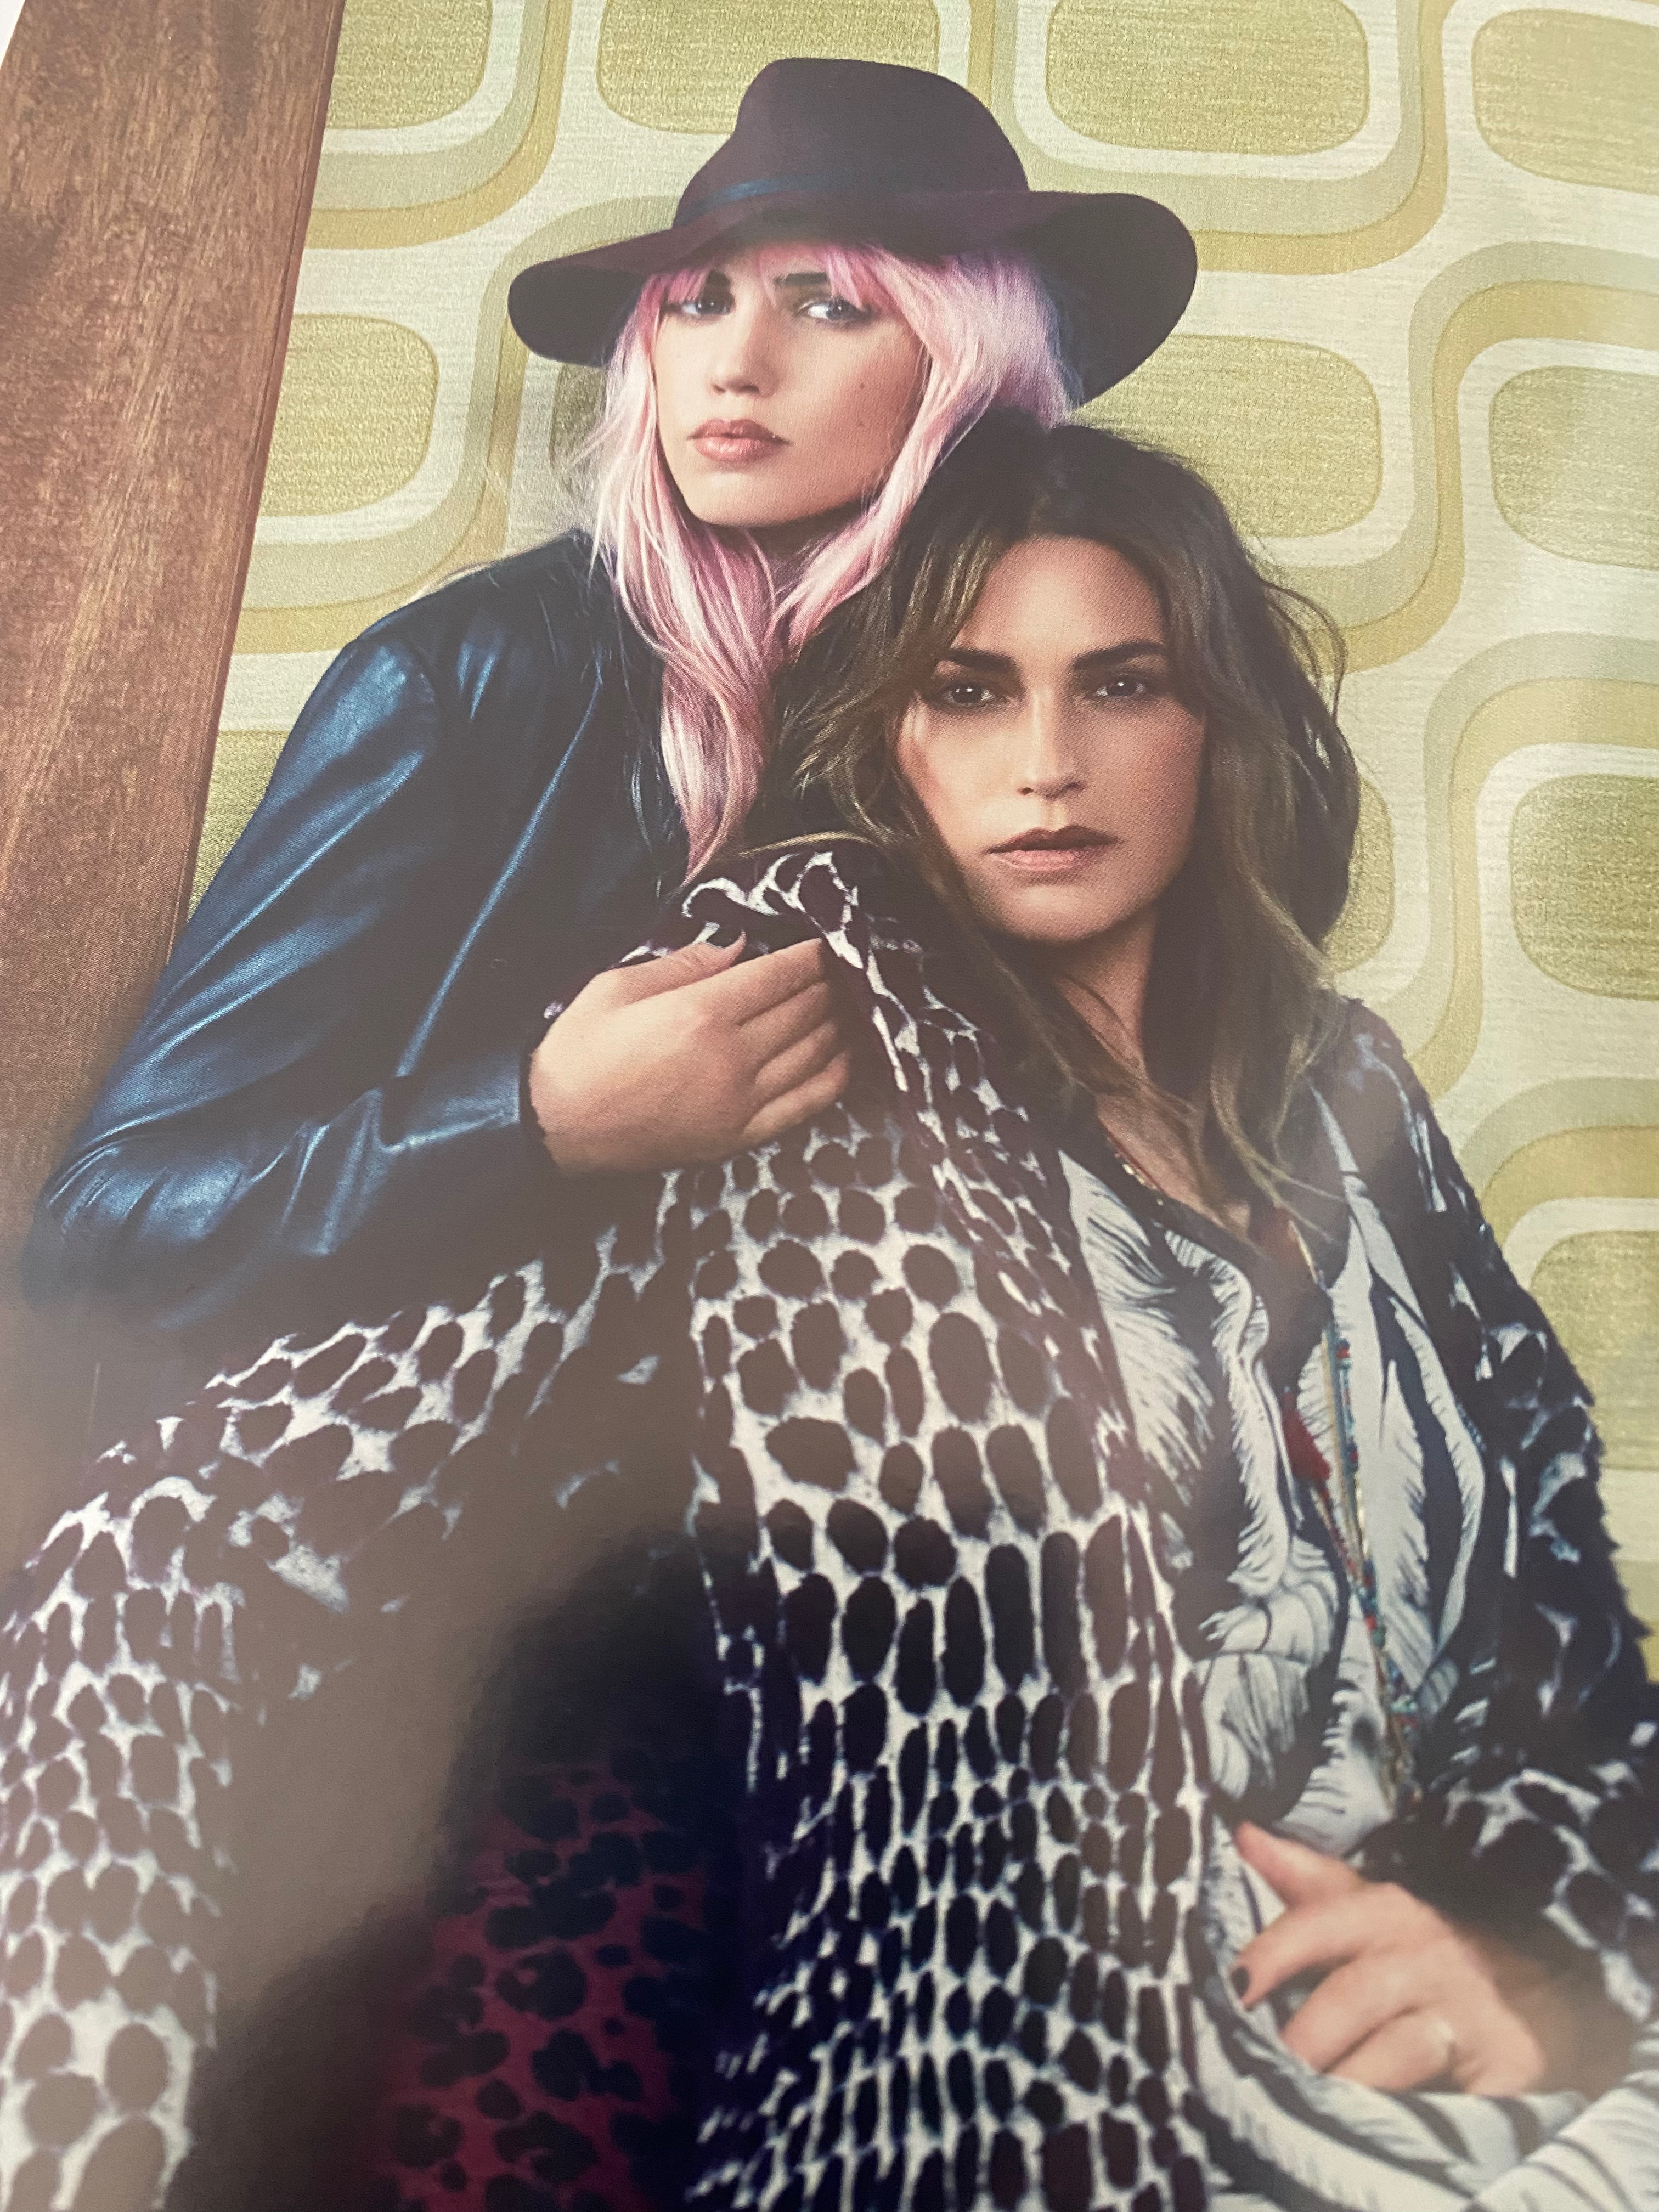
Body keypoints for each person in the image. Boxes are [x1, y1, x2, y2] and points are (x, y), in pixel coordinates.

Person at [9, 413, 1656, 2212]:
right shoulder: (795, 1028)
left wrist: (1536, 1961)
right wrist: (80, 2129)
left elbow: (1562, 1633)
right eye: (969, 690)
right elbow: (186, 1538)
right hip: (982, 2125)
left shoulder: (1345, 1095)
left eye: (1123, 684)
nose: (1048, 764)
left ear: (1223, 723)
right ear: (883, 729)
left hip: (1470, 2102)